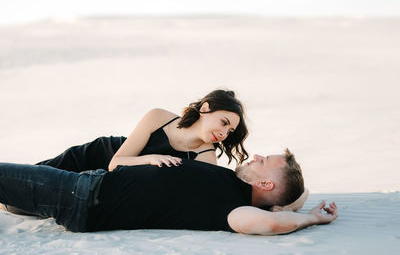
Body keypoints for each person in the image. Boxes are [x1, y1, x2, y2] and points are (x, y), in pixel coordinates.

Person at [0, 149, 338, 235]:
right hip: (85, 187)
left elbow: (270, 224)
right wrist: (291, 206)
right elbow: (291, 199)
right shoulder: (232, 186)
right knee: (9, 203)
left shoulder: (234, 209)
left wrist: (308, 219)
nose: (257, 156)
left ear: (265, 185)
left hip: (80, 195)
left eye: (265, 161)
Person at [35, 89, 249, 173]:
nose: (224, 133)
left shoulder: (206, 158)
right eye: (224, 122)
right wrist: (151, 158)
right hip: (98, 154)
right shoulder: (158, 117)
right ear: (205, 108)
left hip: (105, 184)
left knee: (25, 204)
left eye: (230, 131)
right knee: (18, 187)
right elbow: (115, 163)